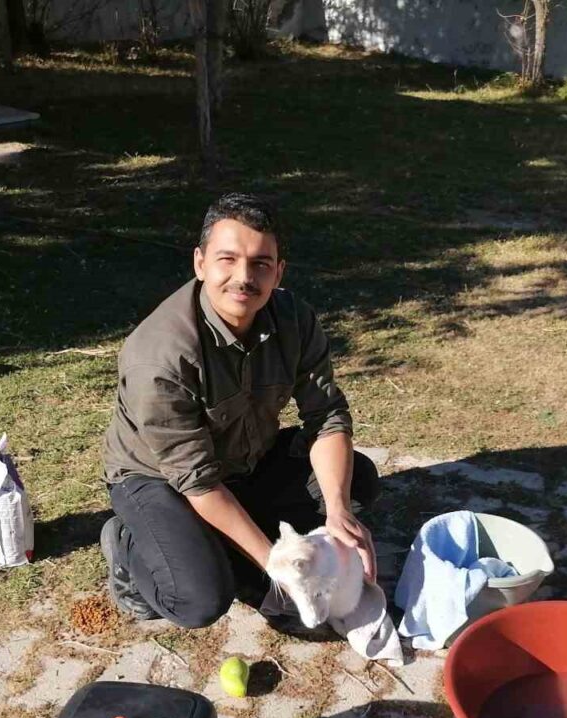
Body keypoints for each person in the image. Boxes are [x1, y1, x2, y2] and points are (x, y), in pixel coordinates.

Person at [99, 193, 379, 629]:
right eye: (227, 259)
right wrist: (276, 567)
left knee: (357, 480)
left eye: (260, 263)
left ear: (278, 271)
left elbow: (326, 416)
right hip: (160, 480)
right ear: (200, 263)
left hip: (243, 461)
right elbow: (197, 480)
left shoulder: (294, 320)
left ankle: (222, 540)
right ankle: (128, 546)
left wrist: (338, 511)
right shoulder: (160, 356)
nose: (244, 277)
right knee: (200, 600)